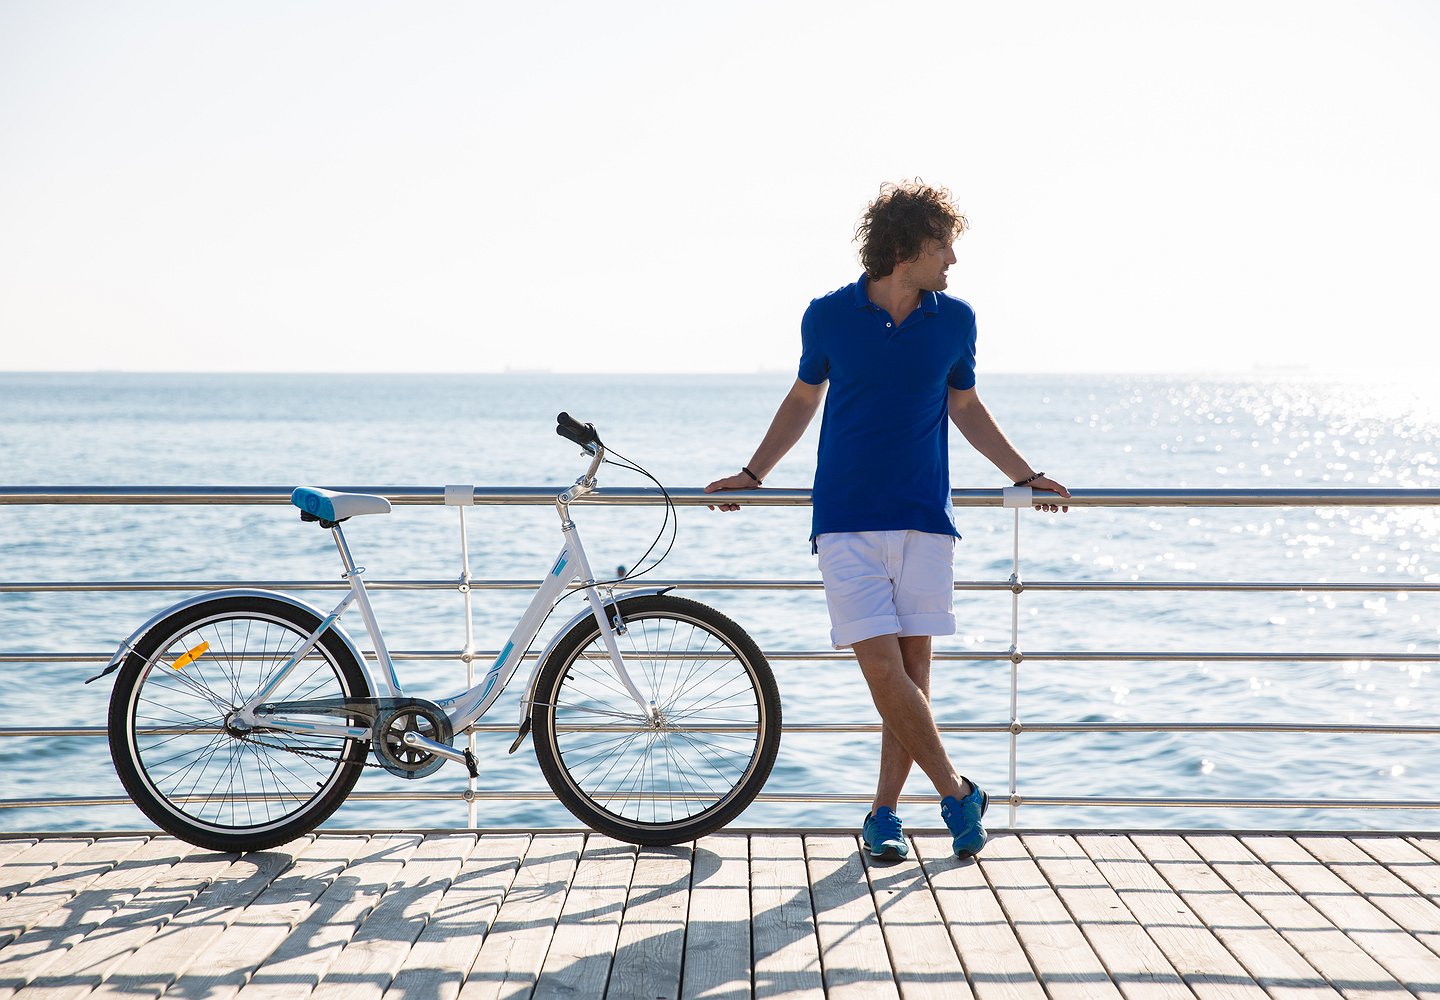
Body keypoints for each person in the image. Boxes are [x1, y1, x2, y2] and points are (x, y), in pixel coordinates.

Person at [704, 180, 1070, 861]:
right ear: (906, 248)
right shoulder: (827, 316)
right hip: (844, 519)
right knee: (883, 671)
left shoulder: (955, 321)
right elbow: (802, 399)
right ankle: (958, 792)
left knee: (912, 677)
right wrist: (754, 474)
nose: (953, 261)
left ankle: (883, 814)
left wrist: (1023, 475)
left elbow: (965, 408)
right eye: (944, 247)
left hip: (926, 519)